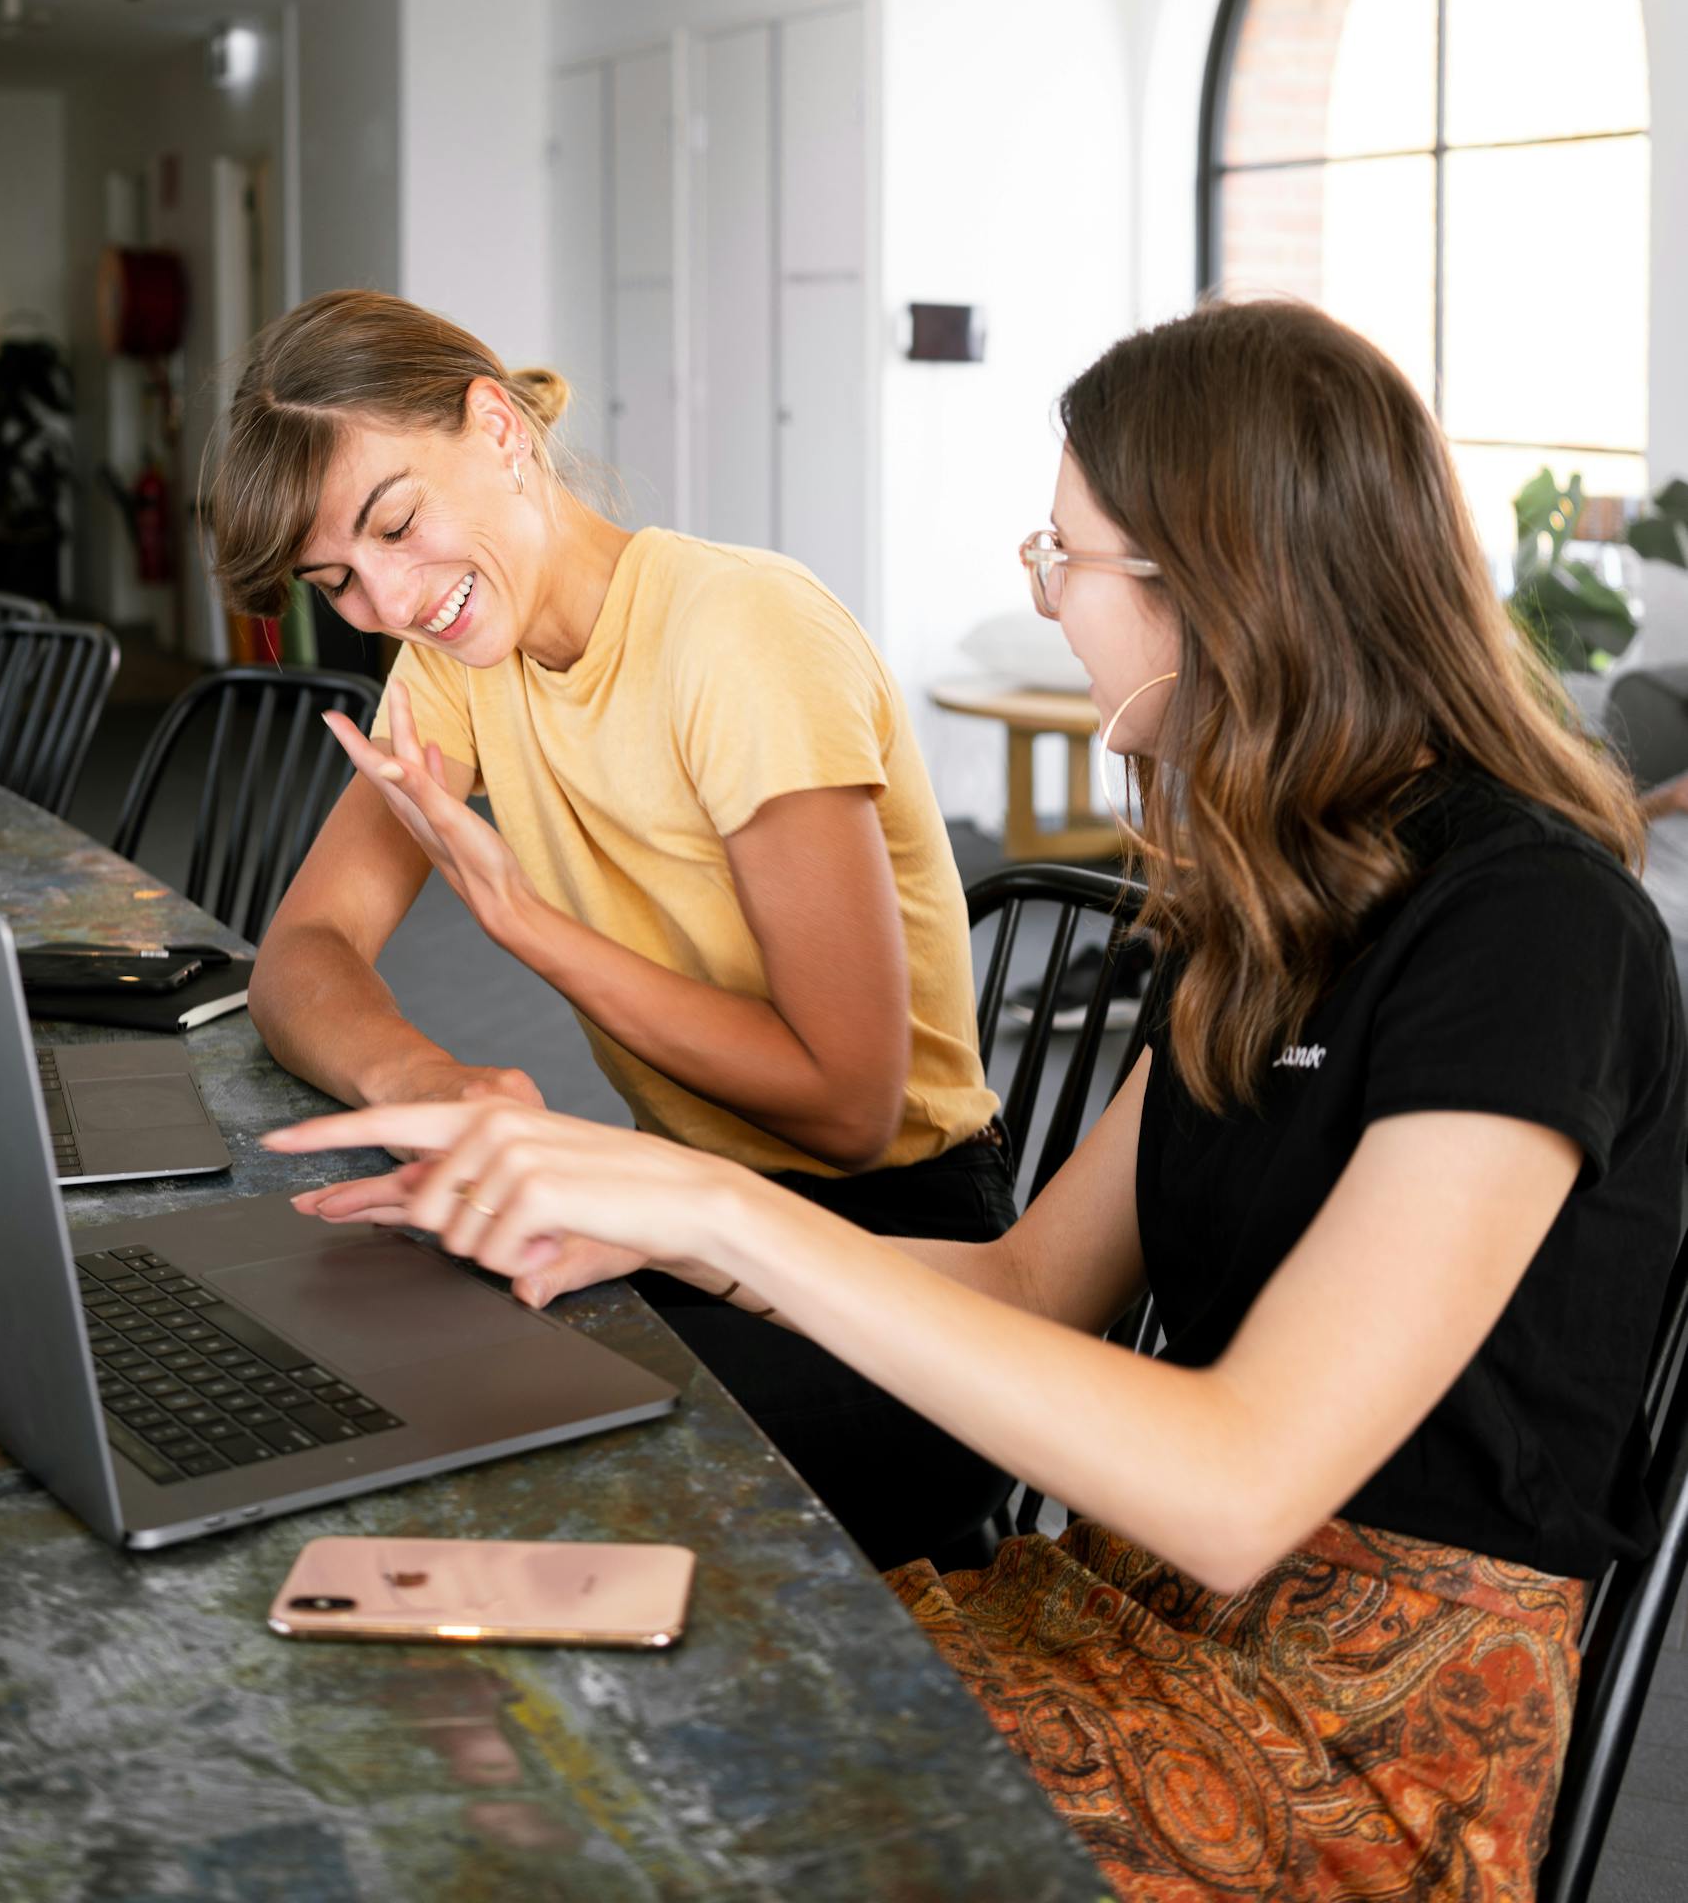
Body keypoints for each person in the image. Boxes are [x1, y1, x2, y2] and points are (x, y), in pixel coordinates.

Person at [267, 298, 1686, 1903]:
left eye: (1063, 557)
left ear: (1219, 583)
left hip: (1349, 1748)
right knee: (489, 1691)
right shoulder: (1280, 905)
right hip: (1124, 1614)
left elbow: (1238, 1488)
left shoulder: (1535, 929)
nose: (1049, 599)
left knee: (585, 1790)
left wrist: (705, 1201)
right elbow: (1028, 1285)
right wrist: (639, 1232)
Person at [209, 288, 1014, 1568]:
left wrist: (527, 925)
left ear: (498, 427)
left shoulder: (738, 632)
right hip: (684, 1215)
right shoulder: (463, 660)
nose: (391, 602)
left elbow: (851, 1104)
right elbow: (303, 957)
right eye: (337, 581)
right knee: (366, 1343)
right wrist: (437, 1079)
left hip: (901, 1268)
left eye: (399, 525)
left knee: (485, 1447)